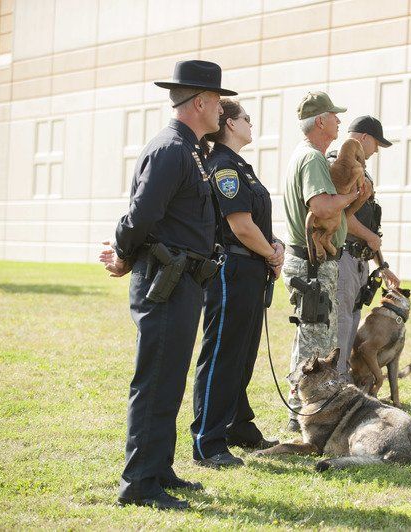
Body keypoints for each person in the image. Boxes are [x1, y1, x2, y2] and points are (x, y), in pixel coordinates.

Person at [99, 60, 235, 510]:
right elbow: (140, 217)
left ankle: (158, 469)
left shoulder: (191, 149)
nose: (222, 109)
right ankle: (138, 483)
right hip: (164, 281)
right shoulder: (170, 150)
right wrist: (122, 254)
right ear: (199, 102)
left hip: (183, 282)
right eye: (217, 101)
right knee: (155, 381)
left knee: (169, 380)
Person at [190, 99, 284, 468]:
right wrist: (271, 254)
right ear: (229, 123)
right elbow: (240, 226)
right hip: (232, 271)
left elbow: (257, 221)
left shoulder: (241, 167)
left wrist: (274, 245)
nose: (251, 123)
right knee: (223, 356)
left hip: (252, 269)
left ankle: (237, 426)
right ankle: (207, 440)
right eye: (246, 118)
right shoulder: (223, 167)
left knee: (242, 355)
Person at [282, 91, 367, 432]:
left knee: (309, 338)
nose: (339, 122)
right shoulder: (314, 159)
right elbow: (321, 207)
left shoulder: (301, 155)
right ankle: (302, 417)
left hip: (306, 260)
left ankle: (297, 411)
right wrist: (353, 195)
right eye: (334, 116)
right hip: (313, 264)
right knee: (316, 346)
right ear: (320, 121)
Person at [328, 116, 400, 378]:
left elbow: (370, 225)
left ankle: (343, 379)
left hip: (359, 259)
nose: (376, 150)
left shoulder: (361, 169)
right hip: (343, 255)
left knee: (352, 321)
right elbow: (342, 216)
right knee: (342, 323)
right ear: (364, 139)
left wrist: (383, 266)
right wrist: (370, 237)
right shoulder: (339, 164)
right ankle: (336, 381)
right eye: (376, 144)